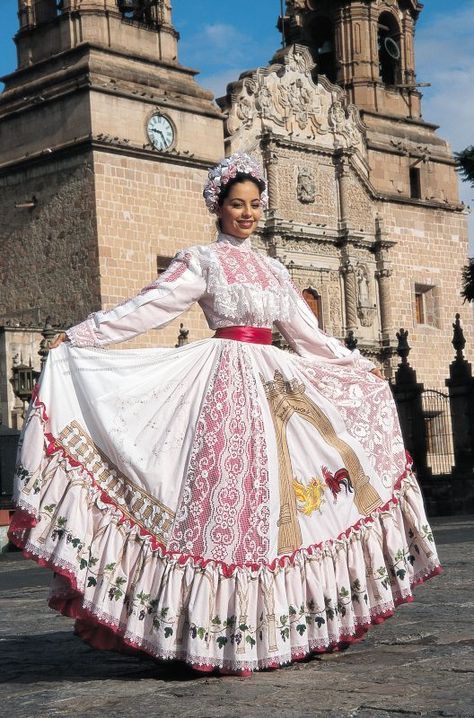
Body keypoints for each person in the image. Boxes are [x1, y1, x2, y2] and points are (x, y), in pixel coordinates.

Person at [9, 153, 441, 677]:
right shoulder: (203, 261)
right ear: (219, 207)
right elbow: (150, 308)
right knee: (226, 505)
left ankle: (296, 622)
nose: (247, 213)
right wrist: (81, 336)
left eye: (255, 204)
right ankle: (213, 628)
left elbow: (308, 336)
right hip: (225, 385)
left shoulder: (275, 270)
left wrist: (356, 365)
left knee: (290, 508)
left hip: (277, 384)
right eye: (237, 204)